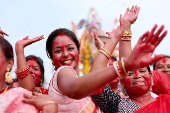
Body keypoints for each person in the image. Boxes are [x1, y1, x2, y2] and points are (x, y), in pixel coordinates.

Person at [15, 6, 167, 113]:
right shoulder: (64, 73)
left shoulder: (164, 99)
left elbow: (95, 83)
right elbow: (84, 88)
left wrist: (118, 36)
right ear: (52, 59)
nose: (66, 54)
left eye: (70, 48)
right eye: (58, 51)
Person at [91, 6, 170, 113]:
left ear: (152, 77)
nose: (137, 75)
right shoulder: (117, 104)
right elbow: (94, 83)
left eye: (142, 71)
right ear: (122, 81)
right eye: (130, 73)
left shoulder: (166, 101)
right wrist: (108, 46)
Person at [0, 35, 57, 113]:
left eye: (35, 69)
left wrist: (49, 108)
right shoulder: (11, 93)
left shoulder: (47, 97)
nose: (30, 71)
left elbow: (28, 89)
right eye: (26, 67)